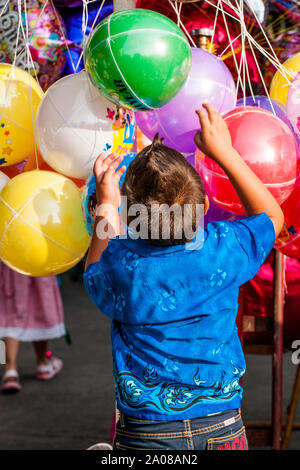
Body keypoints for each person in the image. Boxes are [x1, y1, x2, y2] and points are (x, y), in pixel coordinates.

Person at [83, 104, 284, 451]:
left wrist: (106, 203)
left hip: (147, 433)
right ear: (204, 207)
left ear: (130, 219)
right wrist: (225, 152)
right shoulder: (224, 249)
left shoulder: (123, 268)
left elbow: (95, 266)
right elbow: (272, 217)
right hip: (223, 426)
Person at [0, 263, 64, 393]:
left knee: (10, 317)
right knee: (40, 311)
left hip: (10, 263)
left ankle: (11, 370)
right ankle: (42, 363)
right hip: (38, 263)